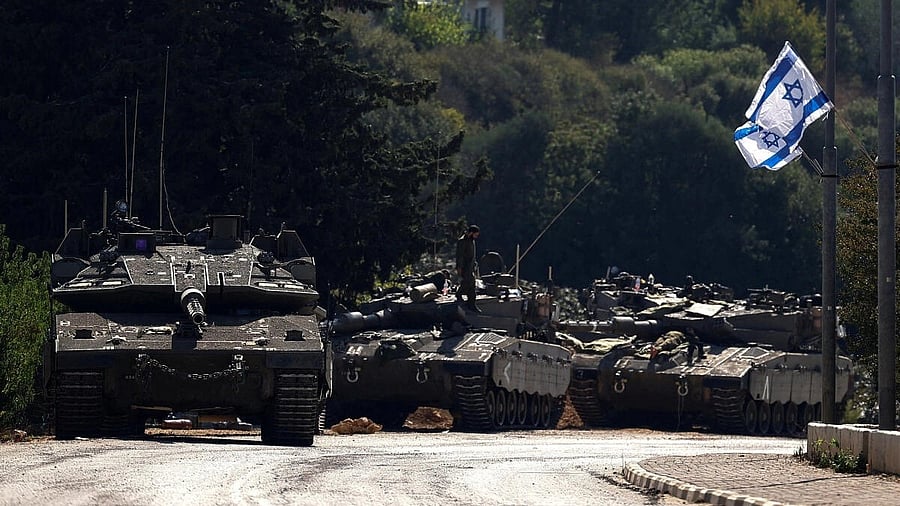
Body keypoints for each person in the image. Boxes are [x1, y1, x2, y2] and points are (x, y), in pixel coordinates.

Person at [455, 224, 481, 312]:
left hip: (471, 266)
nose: (476, 237)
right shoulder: (462, 241)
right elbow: (460, 256)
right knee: (467, 282)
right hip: (464, 267)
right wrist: (459, 268)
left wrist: (474, 264)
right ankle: (459, 294)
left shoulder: (471, 241)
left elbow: (472, 254)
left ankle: (471, 304)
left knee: (472, 285)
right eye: (475, 235)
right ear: (471, 233)